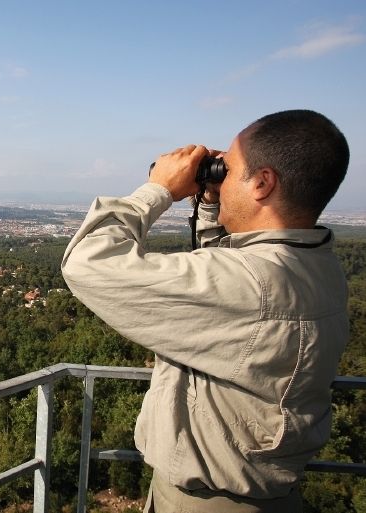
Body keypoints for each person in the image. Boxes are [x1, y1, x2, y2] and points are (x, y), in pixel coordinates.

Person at [61, 110, 350, 512]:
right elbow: (228, 293)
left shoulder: (253, 284)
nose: (219, 176)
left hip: (206, 502)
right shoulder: (320, 268)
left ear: (263, 183)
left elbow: (86, 263)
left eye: (228, 169)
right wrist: (216, 204)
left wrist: (157, 188)